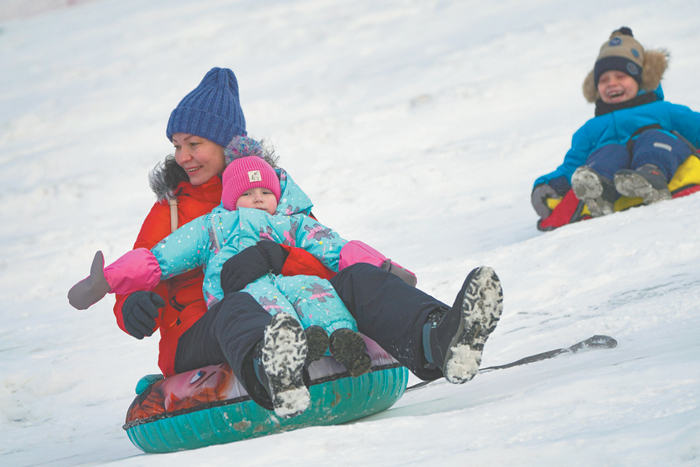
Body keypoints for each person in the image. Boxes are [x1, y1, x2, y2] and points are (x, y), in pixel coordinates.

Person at [68, 67, 504, 420]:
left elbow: (326, 253)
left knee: (357, 277)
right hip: (199, 334)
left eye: (194, 144)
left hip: (293, 312)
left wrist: (276, 256)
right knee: (235, 307)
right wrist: (131, 307)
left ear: (227, 144)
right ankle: (272, 373)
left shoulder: (273, 194)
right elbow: (142, 269)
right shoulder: (170, 211)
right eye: (178, 145)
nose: (183, 157)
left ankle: (439, 338)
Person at [531, 27, 700, 219]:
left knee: (652, 138)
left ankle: (650, 177)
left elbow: (696, 127)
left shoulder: (663, 110)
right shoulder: (589, 129)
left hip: (659, 155)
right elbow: (573, 165)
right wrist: (551, 185)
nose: (611, 83)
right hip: (610, 172)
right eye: (603, 80)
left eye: (621, 76)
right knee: (606, 152)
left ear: (641, 80)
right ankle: (600, 191)